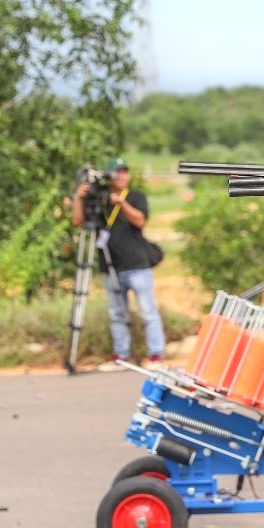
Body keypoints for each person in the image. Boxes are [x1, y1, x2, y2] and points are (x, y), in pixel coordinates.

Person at [71, 157, 165, 369]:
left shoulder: (136, 196)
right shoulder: (101, 199)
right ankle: (121, 356)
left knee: (148, 311)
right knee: (117, 314)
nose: (121, 176)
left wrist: (122, 204)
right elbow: (78, 220)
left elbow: (140, 221)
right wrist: (79, 197)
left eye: (124, 172)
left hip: (137, 265)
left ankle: (156, 355)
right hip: (111, 264)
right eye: (116, 173)